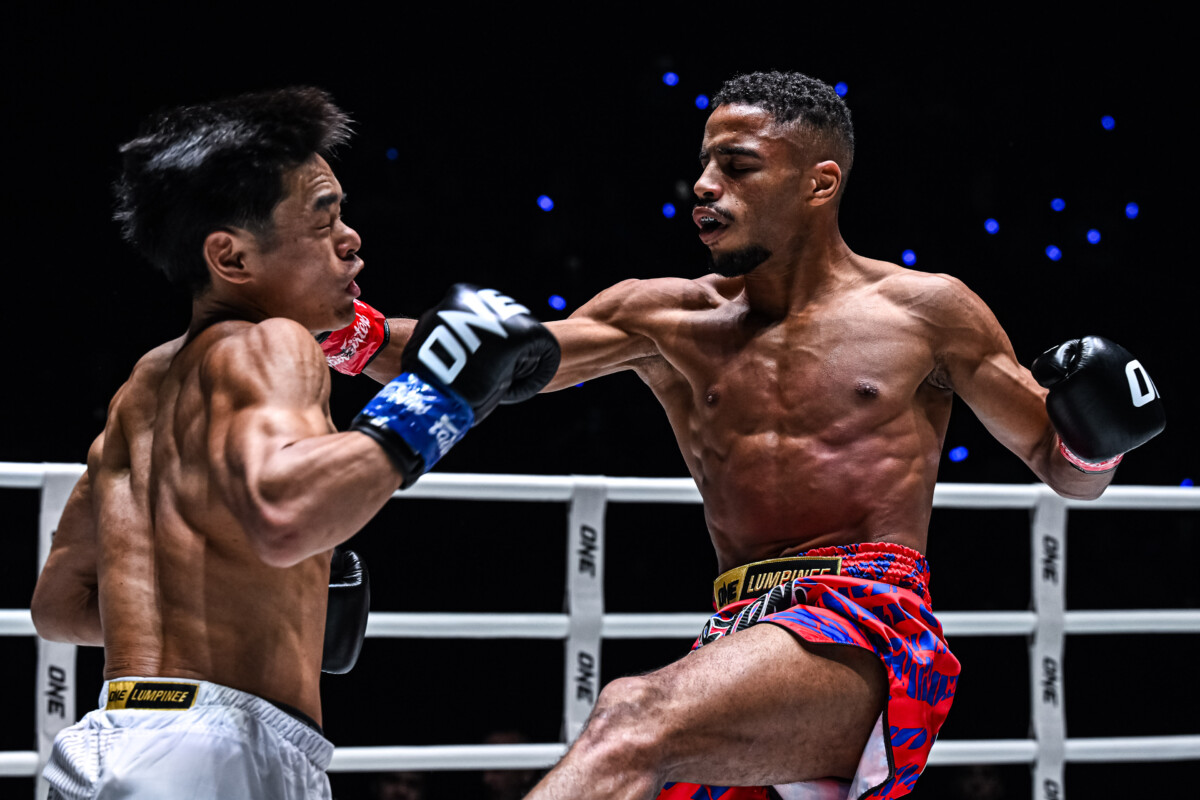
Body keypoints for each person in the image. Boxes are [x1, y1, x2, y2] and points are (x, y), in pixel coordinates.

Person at [353, 71, 1165, 799]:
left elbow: (1067, 472)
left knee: (631, 720)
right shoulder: (667, 316)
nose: (705, 186)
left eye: (737, 165)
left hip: (867, 621)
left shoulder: (925, 312)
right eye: (705, 164)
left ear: (820, 182)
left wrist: (1097, 438)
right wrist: (337, 330)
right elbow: (488, 359)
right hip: (737, 628)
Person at [29, 86, 560, 800]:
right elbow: (285, 514)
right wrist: (439, 399)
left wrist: (234, 608)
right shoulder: (274, 343)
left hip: (109, 735)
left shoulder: (140, 391)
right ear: (231, 257)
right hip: (213, 757)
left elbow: (59, 605)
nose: (351, 238)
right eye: (322, 219)